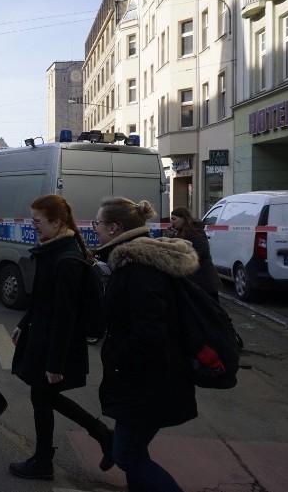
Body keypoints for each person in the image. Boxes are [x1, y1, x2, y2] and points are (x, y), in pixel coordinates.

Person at [93, 197, 198, 492]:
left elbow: (149, 334)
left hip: (149, 381)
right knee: (133, 452)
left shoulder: (137, 268)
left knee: (126, 454)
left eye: (98, 224)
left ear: (113, 228)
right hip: (149, 379)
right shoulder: (138, 260)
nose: (95, 230)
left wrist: (115, 355)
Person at [8, 194, 113, 480]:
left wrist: (55, 363)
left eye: (38, 221)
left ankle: (45, 461)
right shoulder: (54, 248)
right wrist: (24, 322)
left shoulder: (65, 258)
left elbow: (65, 315)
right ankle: (101, 435)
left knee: (43, 397)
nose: (33, 226)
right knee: (44, 397)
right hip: (43, 334)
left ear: (56, 222)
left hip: (53, 344)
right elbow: (44, 299)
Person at [167, 206, 223, 301]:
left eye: (174, 219)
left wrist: (184, 262)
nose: (171, 222)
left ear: (183, 218)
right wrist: (172, 237)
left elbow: (202, 252)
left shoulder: (195, 231)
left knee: (210, 312)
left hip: (204, 281)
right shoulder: (180, 232)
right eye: (171, 219)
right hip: (195, 281)